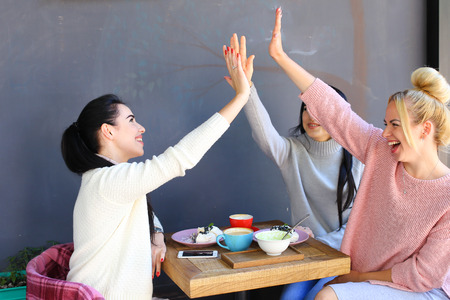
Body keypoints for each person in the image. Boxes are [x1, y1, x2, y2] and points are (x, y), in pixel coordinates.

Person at [250, 7, 449, 300]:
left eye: (395, 125)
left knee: (328, 296)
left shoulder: (446, 196)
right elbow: (336, 112)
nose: (385, 133)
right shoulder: (382, 152)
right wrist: (280, 57)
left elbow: (422, 275)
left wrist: (357, 277)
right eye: (385, 124)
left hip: (423, 290)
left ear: (425, 129)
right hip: (367, 277)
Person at [60, 48, 250, 299]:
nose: (141, 128)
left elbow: (146, 214)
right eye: (131, 120)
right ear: (108, 131)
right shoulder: (108, 181)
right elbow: (180, 158)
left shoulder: (109, 179)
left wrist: (156, 236)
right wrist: (241, 96)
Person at [224, 34, 364, 299]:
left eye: (320, 110)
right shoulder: (292, 151)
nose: (312, 116)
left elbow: (356, 229)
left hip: (344, 259)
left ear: (338, 116)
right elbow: (264, 133)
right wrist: (247, 89)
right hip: (304, 256)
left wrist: (316, 242)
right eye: (306, 109)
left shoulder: (359, 158)